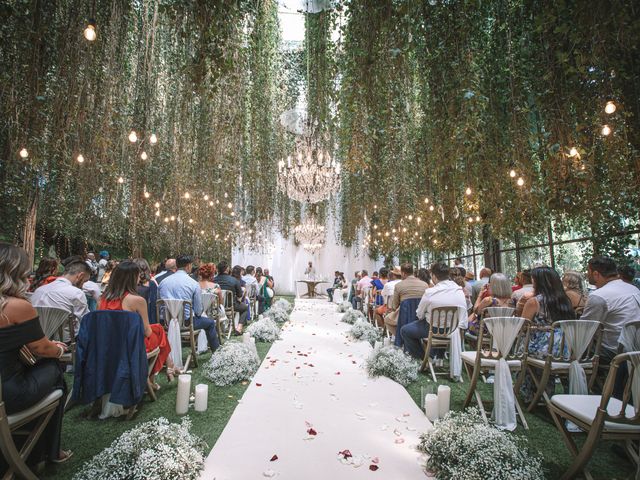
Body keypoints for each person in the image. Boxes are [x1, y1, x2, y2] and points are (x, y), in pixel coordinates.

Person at [0, 243, 72, 465]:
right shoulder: (16, 306)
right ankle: (49, 452)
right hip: (7, 395)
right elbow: (42, 349)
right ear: (17, 272)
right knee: (55, 369)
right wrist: (59, 348)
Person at [99, 260, 179, 388]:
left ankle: (166, 369)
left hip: (108, 344)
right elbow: (146, 332)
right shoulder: (137, 301)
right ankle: (152, 378)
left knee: (157, 329)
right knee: (158, 333)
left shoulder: (102, 299)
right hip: (131, 346)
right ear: (131, 278)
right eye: (137, 275)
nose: (140, 277)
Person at [519, 266, 576, 403]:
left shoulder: (534, 302)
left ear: (538, 281)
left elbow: (522, 328)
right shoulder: (565, 301)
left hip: (542, 350)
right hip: (565, 349)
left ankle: (531, 393)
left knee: (520, 346)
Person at [581, 256, 640, 365]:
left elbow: (584, 329)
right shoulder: (634, 289)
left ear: (595, 274)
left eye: (587, 271)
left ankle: (579, 379)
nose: (586, 274)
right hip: (636, 347)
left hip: (614, 352)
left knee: (572, 344)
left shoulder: (599, 296)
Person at [401, 262, 467, 360]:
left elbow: (419, 314)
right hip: (454, 330)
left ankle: (424, 358)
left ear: (434, 277)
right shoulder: (459, 291)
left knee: (405, 330)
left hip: (433, 329)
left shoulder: (430, 293)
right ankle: (437, 357)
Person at [159, 255, 219, 351]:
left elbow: (160, 305)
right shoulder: (193, 283)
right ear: (188, 266)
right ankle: (216, 353)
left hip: (166, 322)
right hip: (186, 323)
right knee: (210, 323)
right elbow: (198, 311)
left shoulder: (163, 282)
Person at [31, 260, 91, 334]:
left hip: (38, 338)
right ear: (80, 276)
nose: (82, 285)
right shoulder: (77, 293)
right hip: (66, 342)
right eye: (84, 281)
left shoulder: (39, 290)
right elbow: (86, 321)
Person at [386, 264, 428, 338]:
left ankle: (400, 338)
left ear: (403, 273)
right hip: (422, 317)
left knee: (387, 319)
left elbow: (394, 306)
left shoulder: (399, 285)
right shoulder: (425, 285)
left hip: (405, 317)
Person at [215, 261, 248, 333]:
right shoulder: (234, 280)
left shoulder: (213, 280)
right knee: (245, 308)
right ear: (227, 269)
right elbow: (239, 295)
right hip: (231, 305)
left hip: (216, 306)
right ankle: (239, 328)